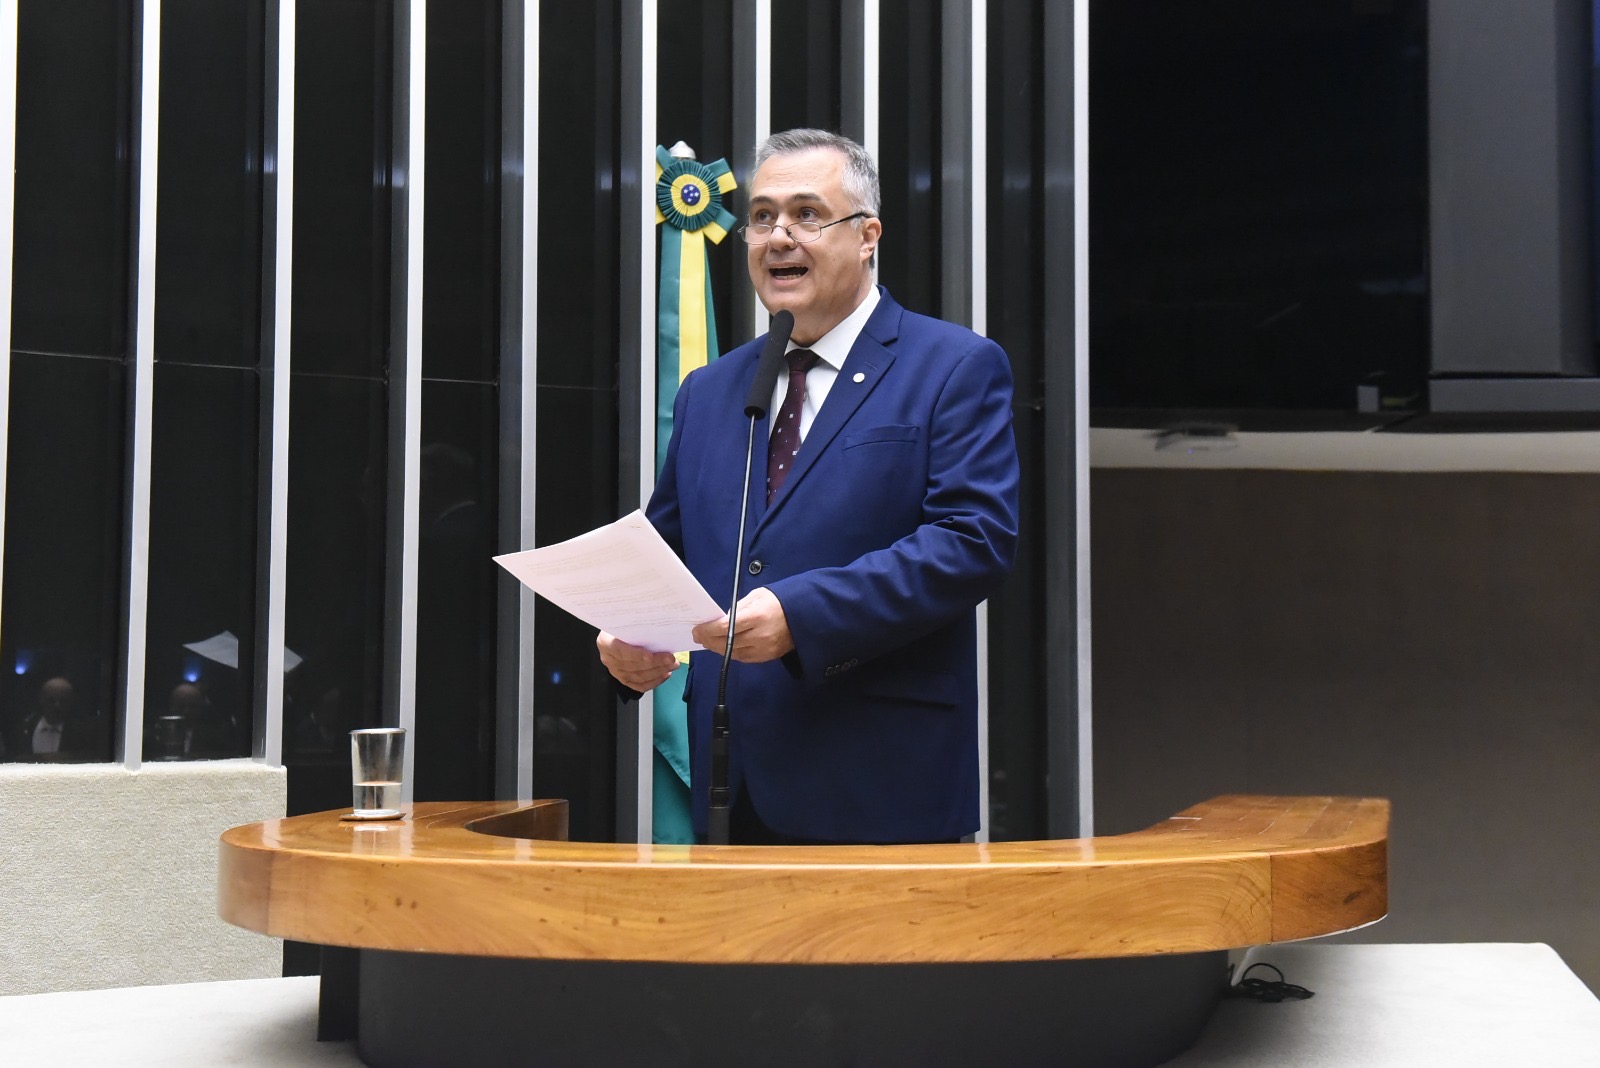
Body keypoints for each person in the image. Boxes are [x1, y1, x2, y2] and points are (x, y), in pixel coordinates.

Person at [598, 129, 1020, 844]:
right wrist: (625, 635)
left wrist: (802, 613)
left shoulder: (953, 366)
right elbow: (667, 553)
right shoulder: (710, 390)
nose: (778, 237)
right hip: (732, 787)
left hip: (880, 784)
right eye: (762, 217)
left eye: (806, 214)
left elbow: (971, 542)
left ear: (868, 236)